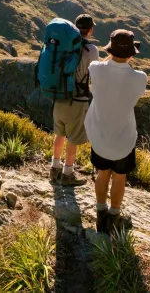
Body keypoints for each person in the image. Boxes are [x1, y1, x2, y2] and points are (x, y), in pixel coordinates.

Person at [85, 29, 147, 233]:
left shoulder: (96, 68)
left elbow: (99, 67)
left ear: (110, 50)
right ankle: (114, 214)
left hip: (100, 135)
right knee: (120, 177)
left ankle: (100, 211)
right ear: (131, 54)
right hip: (124, 138)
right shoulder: (140, 77)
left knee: (102, 174)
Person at [49, 14, 100, 186]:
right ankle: (68, 174)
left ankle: (54, 168)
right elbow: (95, 74)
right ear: (90, 29)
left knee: (60, 133)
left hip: (59, 95)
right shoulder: (91, 50)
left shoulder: (64, 45)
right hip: (77, 99)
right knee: (73, 138)